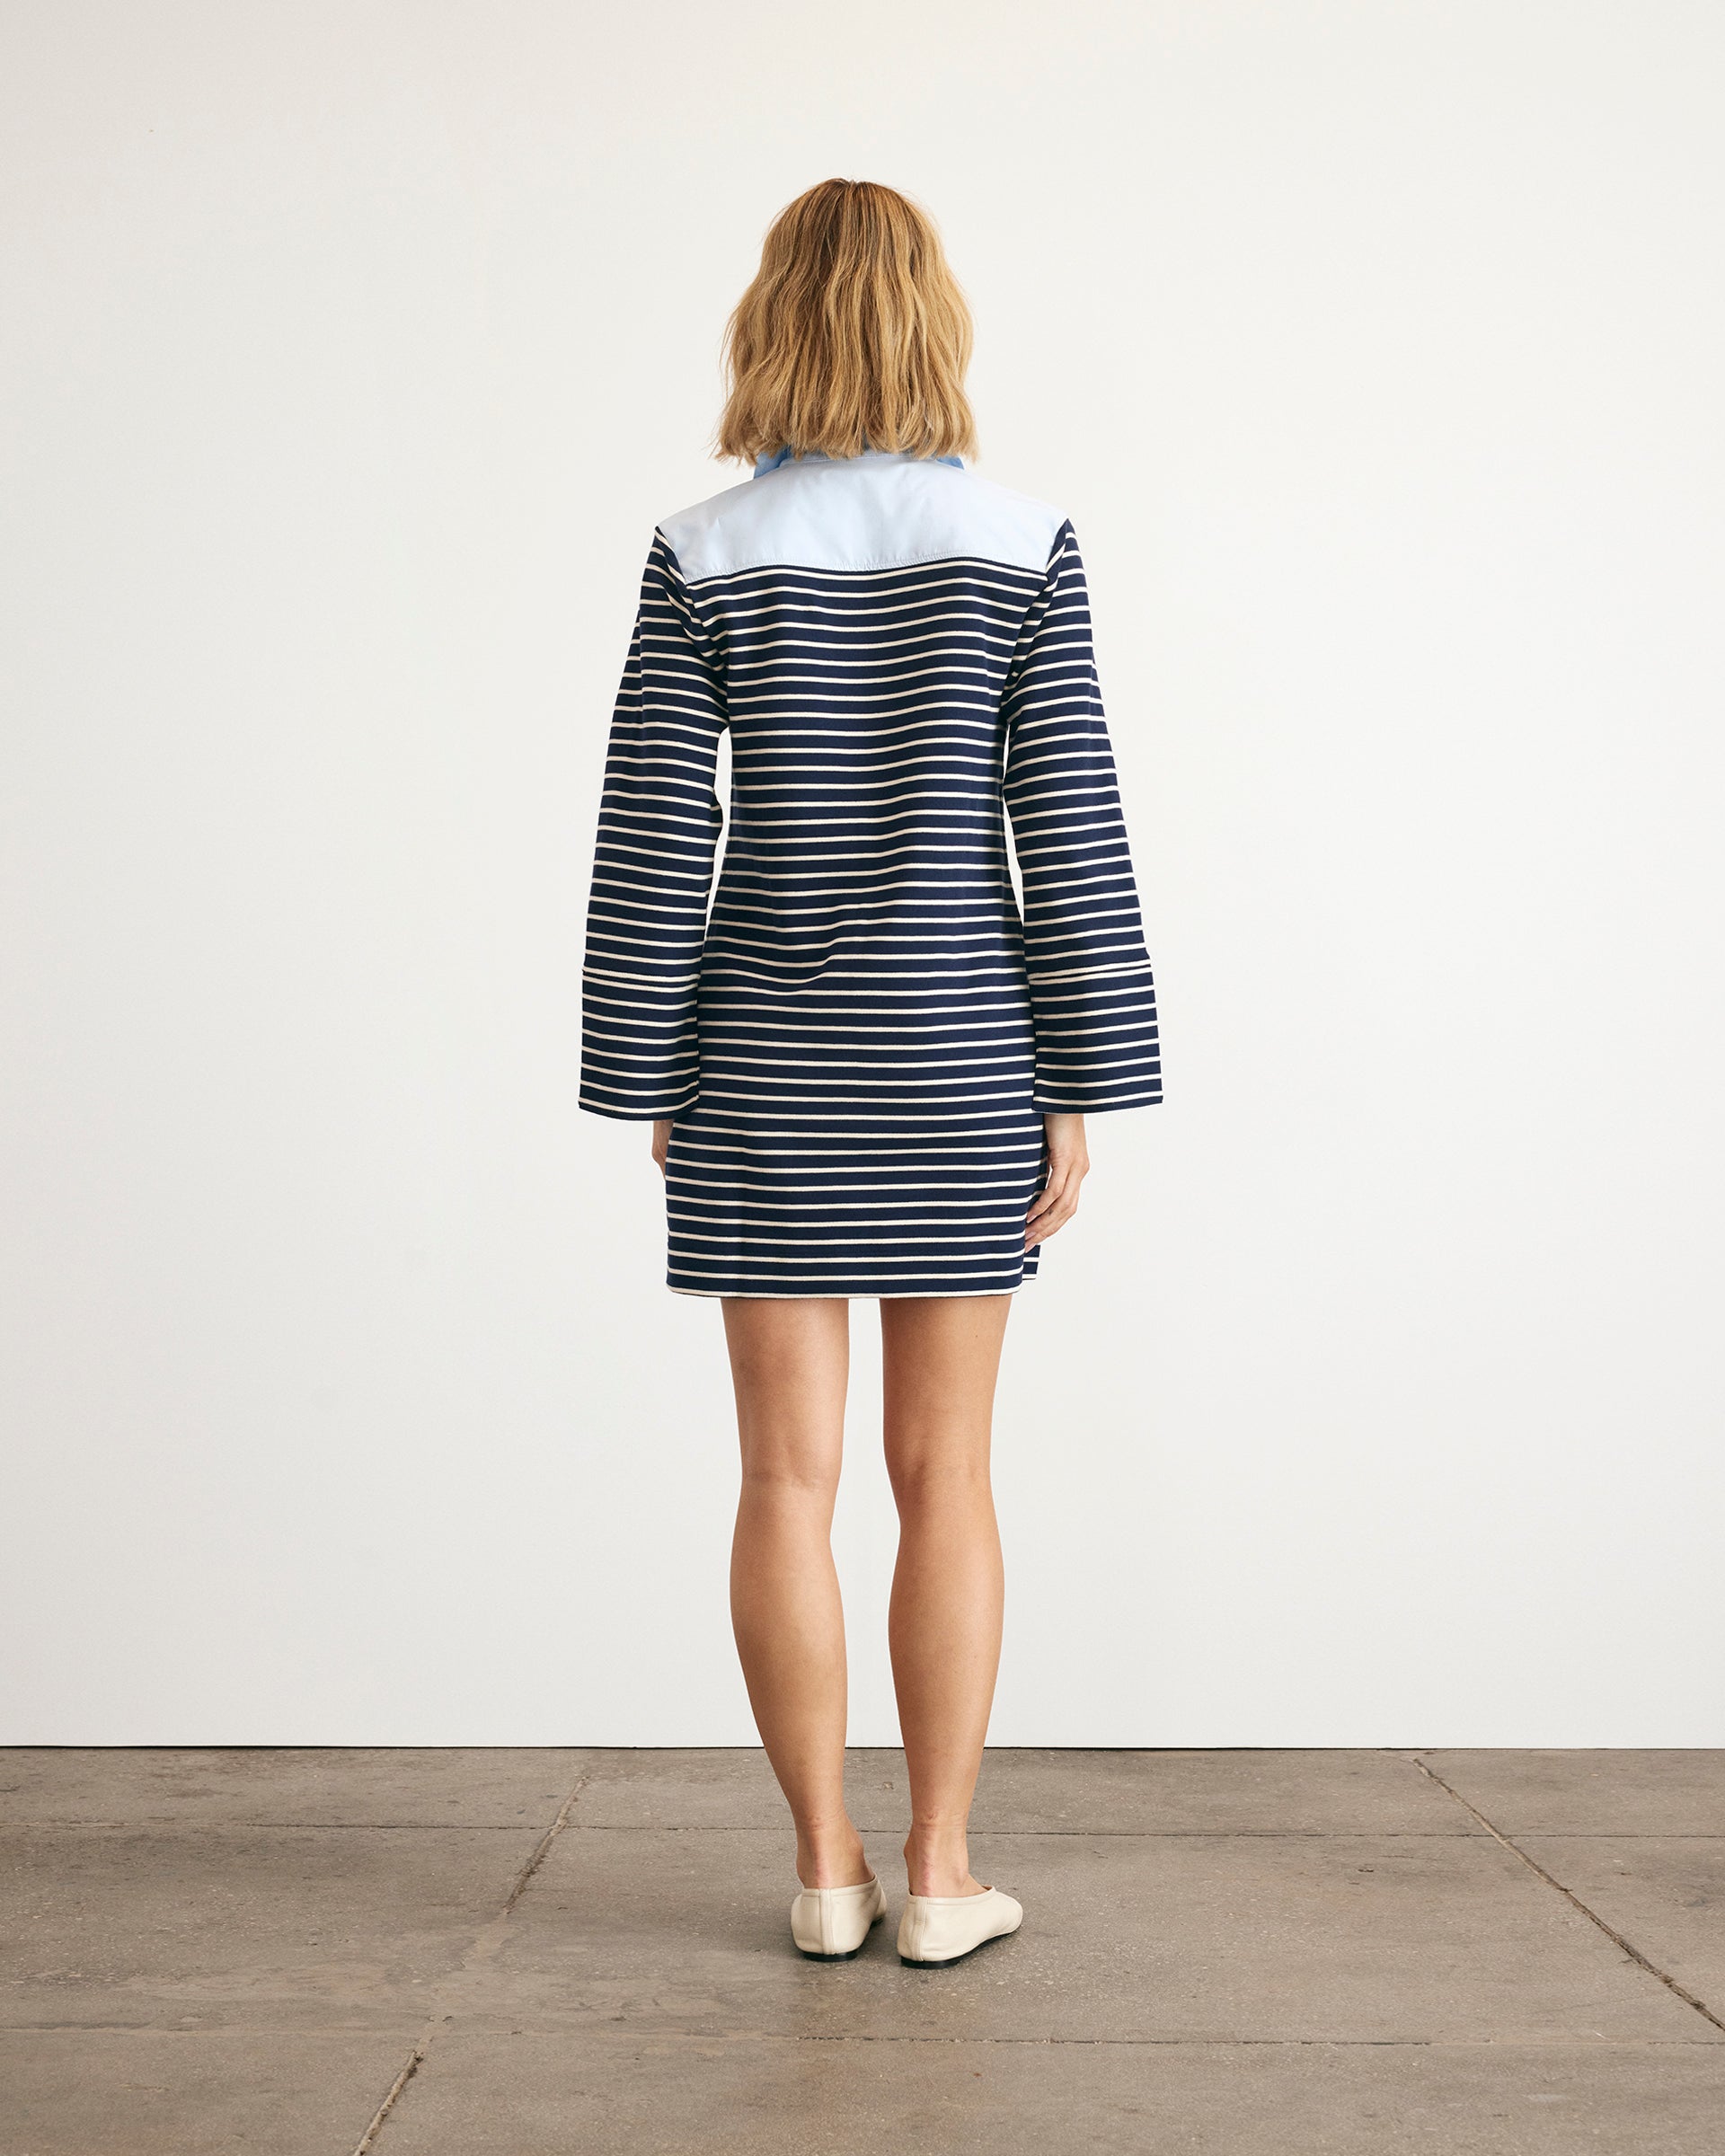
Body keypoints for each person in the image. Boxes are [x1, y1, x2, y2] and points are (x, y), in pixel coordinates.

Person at [579, 179, 1161, 1966]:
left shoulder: (701, 552)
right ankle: (942, 1874)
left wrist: (646, 1067)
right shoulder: (1023, 540)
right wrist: (1081, 1077)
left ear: (772, 322)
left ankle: (826, 1874)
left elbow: (656, 835)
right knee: (948, 1476)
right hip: (960, 1055)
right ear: (933, 322)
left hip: (763, 1062)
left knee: (783, 1481)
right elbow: (1067, 826)